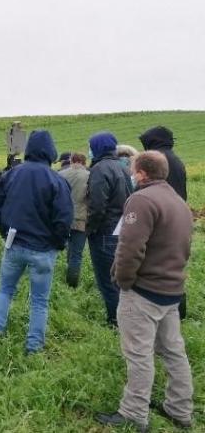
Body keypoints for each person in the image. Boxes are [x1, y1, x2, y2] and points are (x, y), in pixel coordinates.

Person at [96, 151, 195, 432]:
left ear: (141, 174)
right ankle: (180, 409)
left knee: (139, 354)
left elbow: (129, 249)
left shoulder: (141, 200)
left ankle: (134, 413)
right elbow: (185, 247)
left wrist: (124, 281)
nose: (130, 172)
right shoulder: (177, 202)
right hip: (171, 289)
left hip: (144, 291)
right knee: (174, 352)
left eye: (132, 169)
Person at [0, 130, 73, 354]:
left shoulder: (11, 175)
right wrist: (58, 243)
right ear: (50, 152)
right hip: (43, 250)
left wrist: (5, 232)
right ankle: (34, 347)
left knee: (5, 290)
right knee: (39, 301)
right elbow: (64, 219)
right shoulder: (57, 180)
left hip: (14, 244)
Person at [139, 126, 189, 320]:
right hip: (177, 219)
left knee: (156, 268)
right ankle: (178, 311)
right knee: (175, 267)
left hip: (159, 221)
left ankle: (162, 311)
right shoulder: (175, 159)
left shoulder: (156, 161)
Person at [86, 132, 133, 327]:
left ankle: (114, 321)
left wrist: (90, 229)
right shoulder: (121, 168)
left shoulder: (99, 169)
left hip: (104, 231)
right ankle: (126, 316)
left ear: (97, 148)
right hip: (121, 229)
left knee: (107, 280)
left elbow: (97, 206)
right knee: (120, 277)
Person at [58, 153, 89, 287]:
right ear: (84, 162)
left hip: (63, 217)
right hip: (81, 219)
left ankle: (65, 275)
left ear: (71, 161)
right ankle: (72, 285)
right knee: (76, 254)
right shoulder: (89, 176)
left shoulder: (61, 174)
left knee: (66, 247)